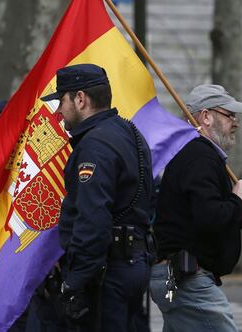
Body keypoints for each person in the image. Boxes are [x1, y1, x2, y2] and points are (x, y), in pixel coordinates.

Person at [150, 84, 242, 332]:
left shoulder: (194, 153)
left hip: (177, 276)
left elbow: (194, 214)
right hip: (189, 280)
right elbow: (209, 217)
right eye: (229, 115)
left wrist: (241, 219)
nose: (235, 123)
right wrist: (238, 198)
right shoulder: (199, 155)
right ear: (205, 116)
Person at [40, 63, 155, 332]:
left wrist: (76, 281)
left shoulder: (94, 145)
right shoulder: (131, 133)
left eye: (62, 101)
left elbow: (93, 220)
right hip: (133, 263)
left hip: (108, 272)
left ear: (80, 99)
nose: (58, 112)